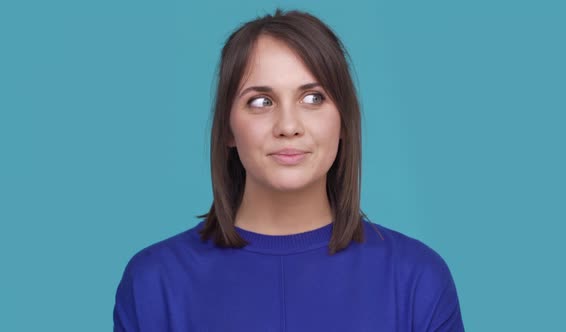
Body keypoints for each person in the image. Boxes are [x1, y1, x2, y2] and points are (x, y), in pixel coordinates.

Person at [113, 8, 465, 332]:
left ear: (343, 121)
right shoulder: (154, 283)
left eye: (313, 98)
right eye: (261, 101)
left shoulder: (417, 279)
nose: (288, 125)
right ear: (226, 129)